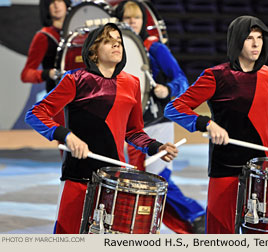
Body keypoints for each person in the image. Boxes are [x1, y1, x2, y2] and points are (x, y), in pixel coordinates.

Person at [164, 15, 268, 234]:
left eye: (259, 38)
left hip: (262, 171)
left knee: (261, 236)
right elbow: (174, 108)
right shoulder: (216, 76)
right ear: (237, 41)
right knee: (220, 236)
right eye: (249, 38)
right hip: (225, 167)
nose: (256, 44)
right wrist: (206, 124)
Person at [25, 23, 178, 234]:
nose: (117, 44)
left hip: (113, 179)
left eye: (119, 41)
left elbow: (133, 131)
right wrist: (66, 136)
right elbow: (35, 114)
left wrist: (156, 147)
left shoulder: (132, 83)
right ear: (93, 51)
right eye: (109, 40)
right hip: (77, 176)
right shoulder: (74, 79)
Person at [114, 0, 206, 234]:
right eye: (126, 18)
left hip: (157, 122)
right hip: (131, 124)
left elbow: (182, 81)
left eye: (136, 18)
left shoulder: (155, 47)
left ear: (144, 21)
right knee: (139, 180)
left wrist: (169, 90)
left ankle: (195, 214)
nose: (132, 22)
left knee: (156, 178)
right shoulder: (114, 49)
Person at [21, 0, 70, 133]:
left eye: (59, 0)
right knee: (69, 145)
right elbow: (26, 74)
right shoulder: (43, 36)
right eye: (51, 2)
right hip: (59, 98)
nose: (56, 5)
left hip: (84, 95)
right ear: (46, 8)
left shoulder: (79, 32)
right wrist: (48, 73)